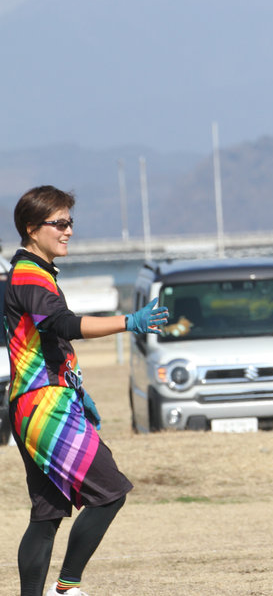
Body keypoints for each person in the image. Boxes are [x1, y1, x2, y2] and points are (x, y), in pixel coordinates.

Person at [3, 186, 169, 596]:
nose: (69, 231)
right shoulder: (29, 275)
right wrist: (128, 321)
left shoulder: (36, 272)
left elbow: (49, 342)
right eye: (59, 223)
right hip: (45, 405)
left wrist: (76, 388)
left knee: (47, 514)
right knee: (110, 493)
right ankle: (66, 588)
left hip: (40, 402)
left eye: (70, 222)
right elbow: (64, 324)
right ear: (31, 228)